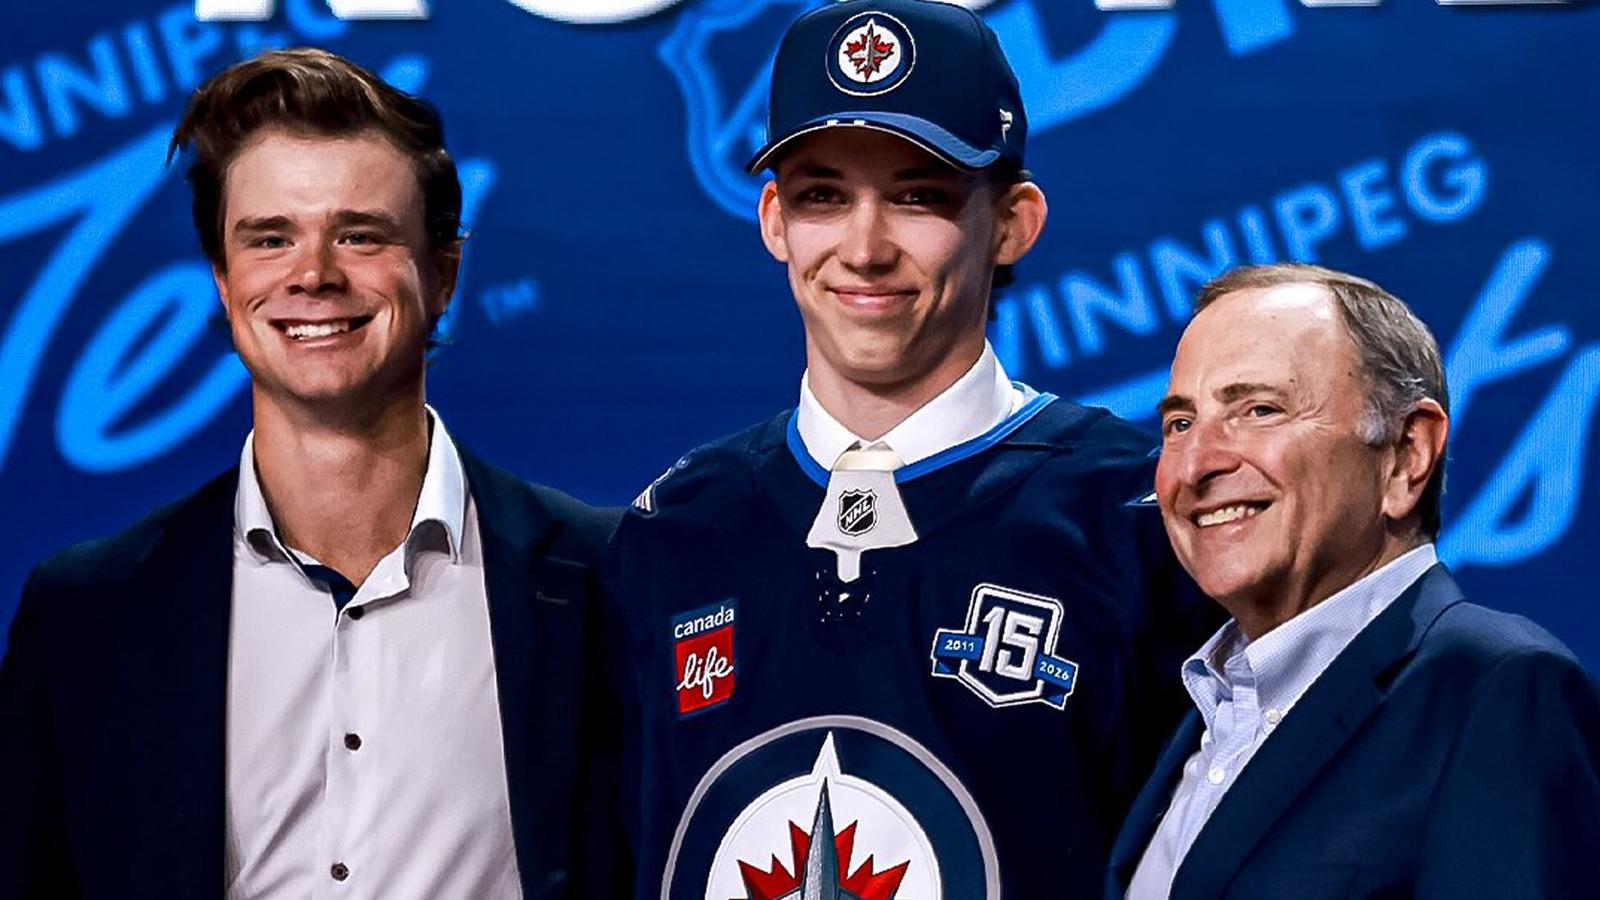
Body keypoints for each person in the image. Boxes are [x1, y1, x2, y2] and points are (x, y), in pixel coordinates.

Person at [607, 2, 1213, 896]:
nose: (864, 247)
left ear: (1013, 220)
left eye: (918, 195)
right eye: (823, 196)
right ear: (773, 219)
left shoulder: (1135, 512)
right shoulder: (674, 529)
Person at [0, 49, 626, 899]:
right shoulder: (84, 614)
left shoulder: (607, 582)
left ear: (443, 273)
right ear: (224, 283)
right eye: (270, 239)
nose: (314, 274)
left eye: (360, 234)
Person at [1107, 264, 1600, 900]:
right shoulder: (1200, 711)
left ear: (1406, 455)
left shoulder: (1495, 692)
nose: (1197, 464)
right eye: (1179, 424)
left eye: (1260, 409)